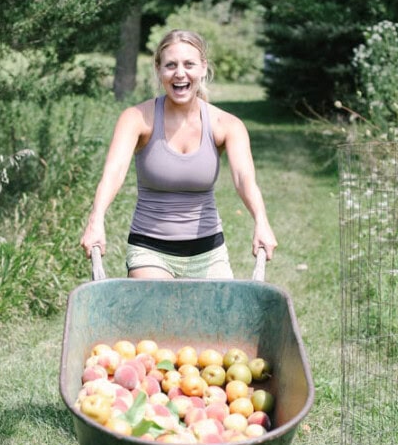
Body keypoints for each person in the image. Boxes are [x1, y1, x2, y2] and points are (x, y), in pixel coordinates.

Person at [80, 28, 277, 278]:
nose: (180, 73)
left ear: (203, 68)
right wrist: (96, 220)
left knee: (219, 317)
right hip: (150, 250)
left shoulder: (227, 125)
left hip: (208, 251)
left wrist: (261, 221)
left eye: (189, 64)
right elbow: (114, 173)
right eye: (170, 65)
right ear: (159, 70)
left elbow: (243, 179)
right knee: (158, 314)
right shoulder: (137, 119)